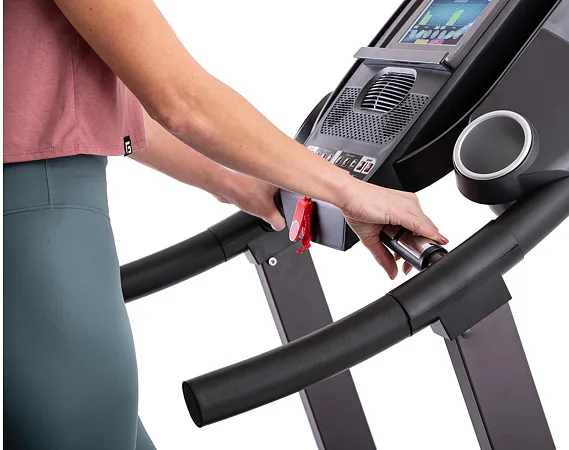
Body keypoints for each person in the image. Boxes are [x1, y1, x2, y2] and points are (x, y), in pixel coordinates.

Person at [3, 0, 448, 448]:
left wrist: (235, 183)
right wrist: (350, 191)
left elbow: (100, 104)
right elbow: (181, 102)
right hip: (39, 228)